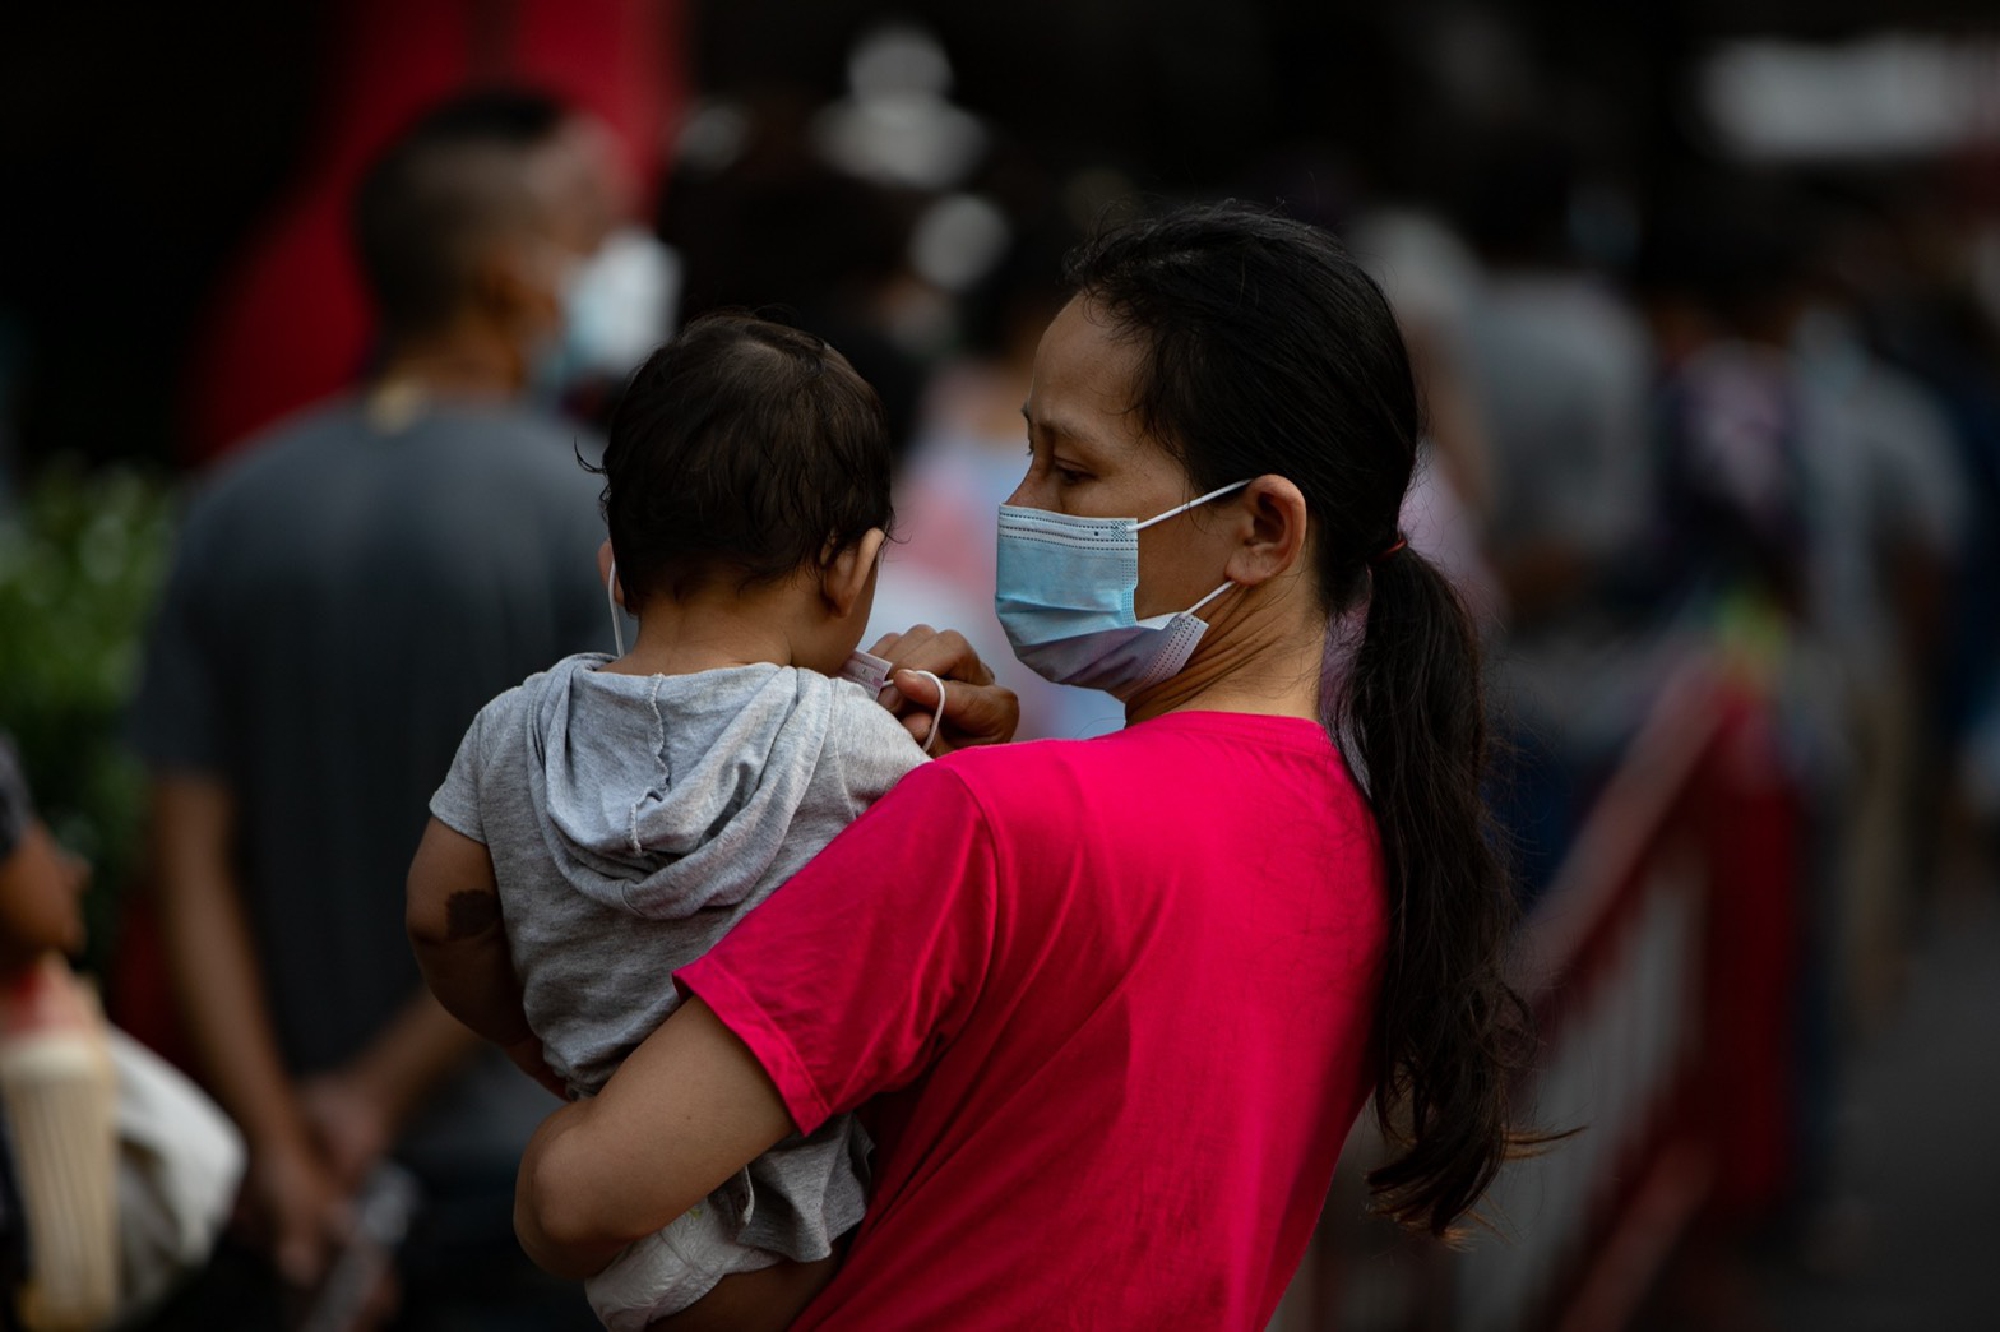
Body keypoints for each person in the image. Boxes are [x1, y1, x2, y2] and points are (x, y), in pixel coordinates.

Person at [511, 205, 1530, 1329]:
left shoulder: (993, 826)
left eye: (1070, 472)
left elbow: (579, 1199)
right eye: (1026, 450)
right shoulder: (1369, 846)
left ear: (1262, 530)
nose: (1017, 509)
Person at [129, 89, 633, 1327]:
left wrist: (288, 1141)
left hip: (283, 1189)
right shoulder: (591, 517)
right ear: (513, 282)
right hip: (521, 1174)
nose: (596, 280)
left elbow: (186, 868)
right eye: (576, 244)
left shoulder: (235, 506)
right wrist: (374, 1097)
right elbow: (580, 861)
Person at [406, 314, 929, 1330]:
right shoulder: (850, 743)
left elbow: (439, 916)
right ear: (848, 568)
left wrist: (533, 1040)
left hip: (611, 1200)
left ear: (618, 563)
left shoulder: (513, 730)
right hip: (790, 1232)